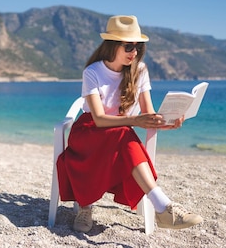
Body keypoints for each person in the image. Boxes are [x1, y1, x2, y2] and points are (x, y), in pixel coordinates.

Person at [56, 15, 203, 233]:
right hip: (88, 132)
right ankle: (88, 207)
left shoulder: (140, 71)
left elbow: (148, 113)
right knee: (125, 131)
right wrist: (135, 120)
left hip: (119, 134)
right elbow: (97, 118)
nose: (134, 53)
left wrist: (167, 123)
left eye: (137, 47)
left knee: (124, 133)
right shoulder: (93, 72)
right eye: (128, 47)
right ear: (113, 46)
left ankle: (164, 207)